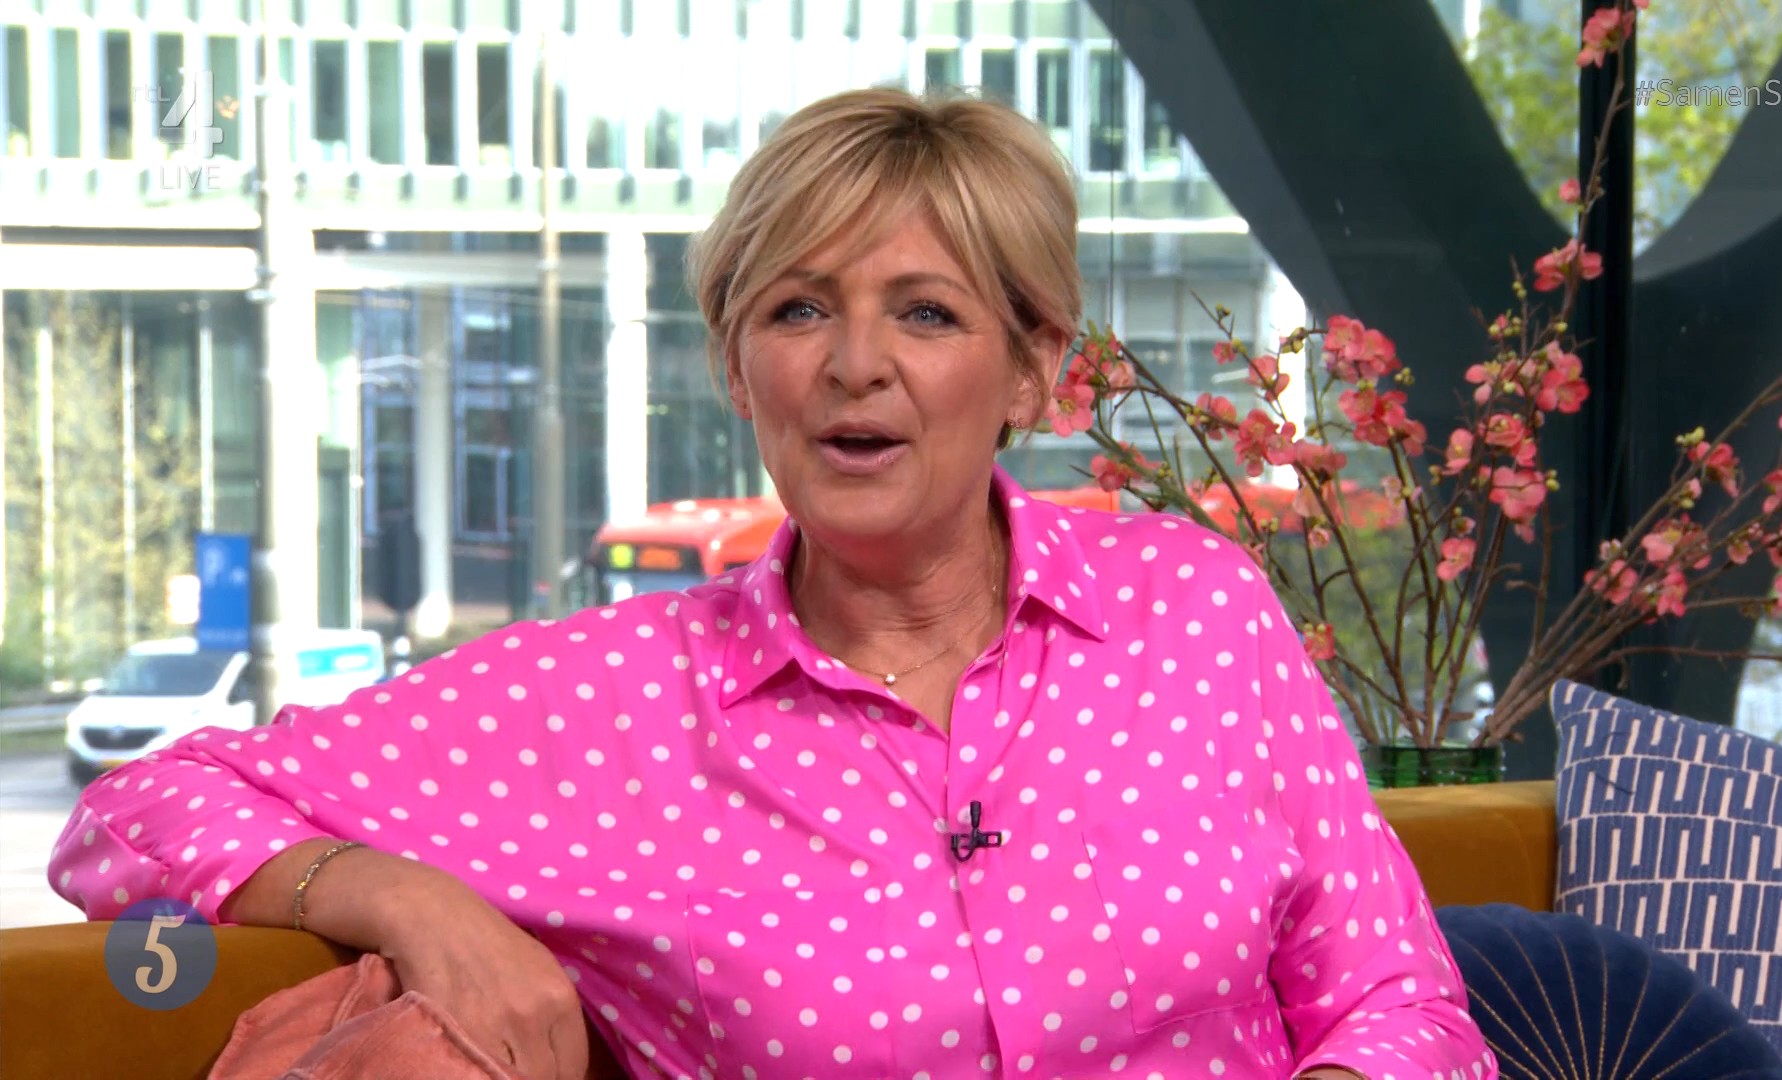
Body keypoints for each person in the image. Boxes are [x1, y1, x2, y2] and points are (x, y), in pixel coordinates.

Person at [50, 88, 1494, 1080]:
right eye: (800, 309)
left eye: (925, 313)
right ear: (739, 367)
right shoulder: (610, 698)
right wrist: (409, 905)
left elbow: (1397, 998)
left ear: (1034, 370)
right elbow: (135, 813)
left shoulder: (1195, 608)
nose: (856, 364)